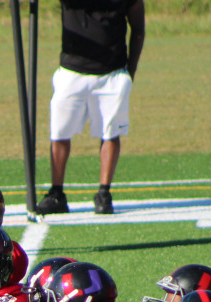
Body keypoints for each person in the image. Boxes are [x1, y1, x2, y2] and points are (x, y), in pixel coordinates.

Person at [35, 0, 145, 217]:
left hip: (112, 73)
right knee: (59, 132)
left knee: (110, 132)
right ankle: (57, 193)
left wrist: (129, 73)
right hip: (72, 70)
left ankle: (104, 193)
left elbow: (138, 30)